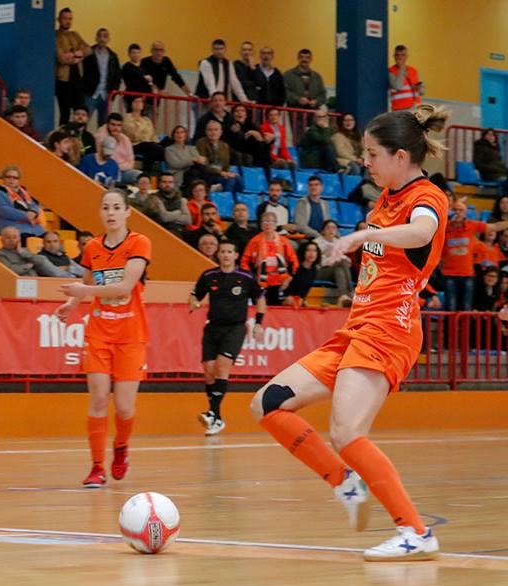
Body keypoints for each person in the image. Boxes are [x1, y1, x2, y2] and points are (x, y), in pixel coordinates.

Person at [249, 105, 455, 562]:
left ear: (400, 156)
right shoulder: (384, 200)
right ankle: (345, 483)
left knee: (346, 431)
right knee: (267, 404)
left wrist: (362, 238)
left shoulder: (427, 197)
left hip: (390, 329)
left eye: (372, 154)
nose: (365, 161)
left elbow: (422, 232)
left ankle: (416, 533)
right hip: (358, 325)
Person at [56, 188, 152, 488]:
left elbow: (124, 288)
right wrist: (71, 305)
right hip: (98, 331)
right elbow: (87, 281)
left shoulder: (139, 242)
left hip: (130, 333)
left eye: (116, 207)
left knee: (124, 407)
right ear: (100, 212)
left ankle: (121, 448)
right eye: (106, 207)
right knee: (98, 399)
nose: (111, 212)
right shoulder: (93, 247)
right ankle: (96, 467)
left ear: (127, 212)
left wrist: (83, 292)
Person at [191, 239, 266, 435]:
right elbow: (195, 295)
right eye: (222, 251)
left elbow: (260, 298)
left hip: (235, 328)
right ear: (218, 254)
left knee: (222, 367)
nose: (225, 255)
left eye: (229, 251)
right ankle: (216, 417)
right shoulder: (209, 275)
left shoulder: (245, 277)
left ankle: (213, 414)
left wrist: (259, 323)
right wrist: (194, 303)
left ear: (235, 255)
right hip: (212, 327)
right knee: (209, 370)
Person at [442, 199, 508, 310]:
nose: (458, 212)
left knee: (467, 307)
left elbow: (494, 227)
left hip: (467, 274)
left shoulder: (472, 225)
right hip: (449, 274)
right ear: (451, 211)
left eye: (461, 210)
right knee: (451, 307)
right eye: (455, 210)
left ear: (465, 212)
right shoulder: (444, 227)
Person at [241, 210, 299, 305]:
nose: (268, 224)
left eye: (271, 222)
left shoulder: (284, 242)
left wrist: (290, 278)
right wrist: (252, 278)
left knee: (285, 303)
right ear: (261, 225)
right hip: (260, 281)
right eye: (265, 222)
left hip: (280, 281)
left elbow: (293, 260)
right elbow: (244, 262)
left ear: (276, 225)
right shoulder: (254, 242)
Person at [0, 225, 73, 278]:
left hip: (35, 281)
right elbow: (10, 270)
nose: (11, 240)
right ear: (1, 240)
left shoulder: (25, 250)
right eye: (8, 237)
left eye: (14, 237)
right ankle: (71, 276)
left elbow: (40, 261)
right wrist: (28, 266)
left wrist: (22, 252)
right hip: (17, 283)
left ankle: (72, 276)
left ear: (19, 239)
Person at [55, 8, 91, 125]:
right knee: (65, 112)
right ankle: (62, 134)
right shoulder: (55, 36)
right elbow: (61, 58)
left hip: (77, 78)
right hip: (63, 79)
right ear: (59, 19)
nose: (68, 21)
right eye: (65, 18)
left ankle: (80, 134)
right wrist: (77, 56)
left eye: (70, 19)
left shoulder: (75, 35)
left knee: (80, 111)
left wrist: (76, 54)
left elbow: (88, 49)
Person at [0, 166, 45, 238]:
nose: (11, 180)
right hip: (13, 229)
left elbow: (35, 205)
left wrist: (33, 211)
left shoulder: (24, 192)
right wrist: (26, 215)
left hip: (34, 229)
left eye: (15, 178)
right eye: (8, 177)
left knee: (51, 238)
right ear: (3, 178)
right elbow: (3, 210)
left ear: (19, 180)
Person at [83, 28, 121, 126]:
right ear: (96, 38)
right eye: (99, 36)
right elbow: (81, 72)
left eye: (105, 36)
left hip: (106, 96)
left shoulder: (113, 57)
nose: (102, 39)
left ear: (108, 39)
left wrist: (113, 93)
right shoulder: (88, 53)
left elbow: (117, 77)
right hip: (90, 94)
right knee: (82, 123)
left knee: (104, 126)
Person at [315, 220, 355, 306]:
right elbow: (319, 262)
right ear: (323, 231)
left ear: (336, 231)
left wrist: (336, 259)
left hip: (334, 270)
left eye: (333, 228)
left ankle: (343, 296)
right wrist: (332, 258)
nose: (331, 230)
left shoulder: (338, 242)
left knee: (339, 271)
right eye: (328, 228)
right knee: (341, 262)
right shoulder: (317, 243)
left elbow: (347, 261)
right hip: (320, 271)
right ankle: (351, 291)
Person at [122, 96, 165, 173]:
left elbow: (152, 134)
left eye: (140, 102)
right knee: (152, 147)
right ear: (131, 104)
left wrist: (157, 143)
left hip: (148, 144)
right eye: (136, 101)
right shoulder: (127, 117)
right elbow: (134, 135)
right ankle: (147, 172)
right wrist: (144, 132)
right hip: (134, 144)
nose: (138, 103)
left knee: (162, 146)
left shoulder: (146, 119)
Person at [195, 120, 239, 192]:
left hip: (221, 173)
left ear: (221, 132)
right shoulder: (201, 143)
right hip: (209, 174)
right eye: (210, 130)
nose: (213, 132)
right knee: (231, 179)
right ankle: (225, 197)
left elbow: (226, 164)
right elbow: (204, 165)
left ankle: (238, 198)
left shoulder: (224, 145)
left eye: (216, 130)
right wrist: (222, 173)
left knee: (238, 178)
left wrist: (227, 173)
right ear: (206, 132)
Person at [96, 113, 138, 185]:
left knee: (139, 176)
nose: (116, 128)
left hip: (122, 171)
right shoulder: (101, 138)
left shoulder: (125, 139)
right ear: (107, 125)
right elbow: (104, 160)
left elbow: (131, 162)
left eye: (119, 125)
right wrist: (116, 166)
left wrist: (118, 167)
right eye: (113, 124)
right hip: (106, 171)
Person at [225, 104, 270, 168]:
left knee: (263, 144)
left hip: (253, 149)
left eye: (242, 111)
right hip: (238, 148)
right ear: (233, 114)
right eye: (236, 111)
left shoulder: (252, 125)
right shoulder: (231, 125)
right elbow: (242, 138)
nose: (239, 112)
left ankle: (265, 168)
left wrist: (269, 138)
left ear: (246, 114)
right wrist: (250, 133)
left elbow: (261, 137)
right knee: (256, 147)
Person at [164, 125, 206, 192]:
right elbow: (176, 164)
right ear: (173, 135)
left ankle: (205, 188)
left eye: (182, 132)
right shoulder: (169, 150)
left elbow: (199, 160)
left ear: (185, 135)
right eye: (177, 132)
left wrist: (200, 159)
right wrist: (192, 159)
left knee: (200, 168)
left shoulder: (191, 148)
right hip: (179, 173)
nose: (179, 135)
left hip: (193, 171)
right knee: (194, 172)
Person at [298, 107, 339, 172]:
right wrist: (325, 128)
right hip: (311, 161)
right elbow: (325, 141)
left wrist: (326, 128)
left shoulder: (328, 129)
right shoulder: (311, 130)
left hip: (321, 159)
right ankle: (336, 169)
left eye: (323, 117)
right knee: (327, 147)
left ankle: (337, 167)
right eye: (318, 117)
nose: (321, 119)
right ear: (314, 119)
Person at [388, 45, 423, 112]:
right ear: (394, 56)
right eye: (397, 55)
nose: (400, 57)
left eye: (403, 55)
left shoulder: (413, 71)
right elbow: (398, 87)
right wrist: (401, 69)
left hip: (415, 108)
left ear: (407, 56)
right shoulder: (390, 71)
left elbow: (422, 91)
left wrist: (419, 87)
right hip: (399, 109)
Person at [285, 240, 320, 306]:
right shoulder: (294, 266)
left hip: (299, 301)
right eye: (308, 250)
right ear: (303, 252)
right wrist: (288, 297)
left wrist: (302, 299)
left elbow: (305, 291)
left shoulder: (314, 270)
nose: (312, 253)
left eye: (315, 251)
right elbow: (286, 286)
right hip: (287, 299)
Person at [120, 44, 153, 111]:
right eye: (134, 53)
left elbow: (147, 82)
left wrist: (150, 81)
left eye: (138, 53)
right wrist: (144, 79)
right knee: (131, 115)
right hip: (131, 98)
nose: (136, 55)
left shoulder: (141, 68)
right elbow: (130, 82)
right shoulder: (127, 67)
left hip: (143, 98)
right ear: (129, 54)